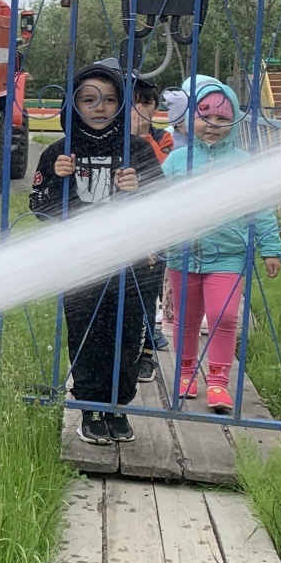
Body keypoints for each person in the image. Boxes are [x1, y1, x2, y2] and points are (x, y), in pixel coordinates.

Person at [28, 62, 165, 443]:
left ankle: (118, 406)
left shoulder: (137, 149)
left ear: (122, 104)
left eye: (108, 100)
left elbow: (165, 202)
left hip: (130, 264)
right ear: (74, 106)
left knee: (127, 336)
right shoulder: (59, 152)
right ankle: (90, 407)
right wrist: (57, 179)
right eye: (89, 100)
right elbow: (39, 208)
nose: (99, 107)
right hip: (80, 265)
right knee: (87, 336)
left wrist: (139, 188)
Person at [164, 76, 281, 414]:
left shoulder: (244, 164)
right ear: (191, 119)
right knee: (186, 318)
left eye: (222, 119)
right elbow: (159, 203)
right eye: (206, 117)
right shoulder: (176, 161)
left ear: (233, 123)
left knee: (224, 315)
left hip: (229, 255)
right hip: (182, 253)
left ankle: (218, 381)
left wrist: (270, 247)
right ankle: (185, 372)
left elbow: (260, 207)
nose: (213, 125)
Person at [129, 75, 171, 377]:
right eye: (134, 101)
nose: (140, 107)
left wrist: (140, 137)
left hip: (154, 232)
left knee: (147, 293)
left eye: (147, 102)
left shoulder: (162, 139)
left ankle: (145, 354)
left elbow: (162, 172)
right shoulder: (112, 136)